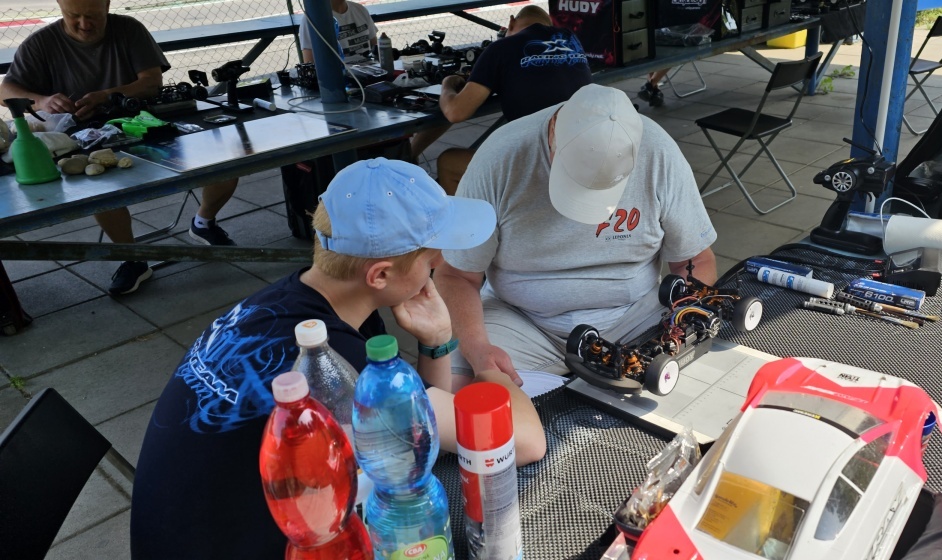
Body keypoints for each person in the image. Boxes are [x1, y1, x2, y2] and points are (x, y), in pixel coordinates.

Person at [130, 158, 547, 559]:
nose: (441, 261)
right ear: (379, 275)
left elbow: (418, 429)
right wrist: (487, 364)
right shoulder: (332, 366)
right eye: (430, 256)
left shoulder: (280, 305)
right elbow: (524, 442)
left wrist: (436, 342)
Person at [434, 84, 718, 389]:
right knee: (460, 386)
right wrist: (478, 348)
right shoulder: (499, 157)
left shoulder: (659, 151)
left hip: (635, 316)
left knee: (696, 380)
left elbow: (695, 260)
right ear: (554, 131)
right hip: (523, 321)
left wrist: (678, 328)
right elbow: (456, 275)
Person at [0, 0, 241, 295]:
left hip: (145, 120)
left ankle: (203, 222)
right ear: (60, 7)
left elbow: (151, 82)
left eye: (92, 16)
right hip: (83, 134)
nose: (84, 25)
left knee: (227, 159)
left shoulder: (129, 29)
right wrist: (42, 101)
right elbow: (5, 91)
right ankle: (131, 256)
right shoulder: (41, 42)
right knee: (101, 188)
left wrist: (106, 95)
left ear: (107, 5)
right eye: (74, 16)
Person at [433, 4, 592, 194]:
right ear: (548, 25)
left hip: (539, 163)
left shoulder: (500, 48)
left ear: (510, 22)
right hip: (584, 152)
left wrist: (448, 84)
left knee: (448, 162)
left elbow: (455, 112)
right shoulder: (571, 39)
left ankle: (480, 214)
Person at [299, 0, 377, 63]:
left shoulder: (360, 10)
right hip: (339, 75)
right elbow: (309, 62)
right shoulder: (312, 19)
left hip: (371, 72)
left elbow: (375, 48)